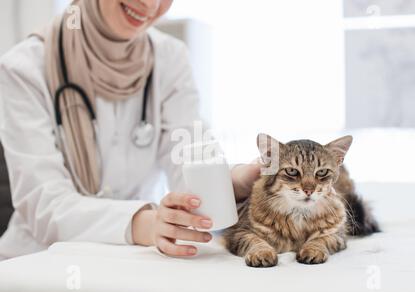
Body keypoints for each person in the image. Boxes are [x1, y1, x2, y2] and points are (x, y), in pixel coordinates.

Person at [0, 0, 260, 260]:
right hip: (37, 261)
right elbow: (46, 206)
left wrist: (229, 184)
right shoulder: (24, 68)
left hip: (130, 259)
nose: (150, 4)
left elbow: (190, 157)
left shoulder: (170, 58)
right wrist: (144, 223)